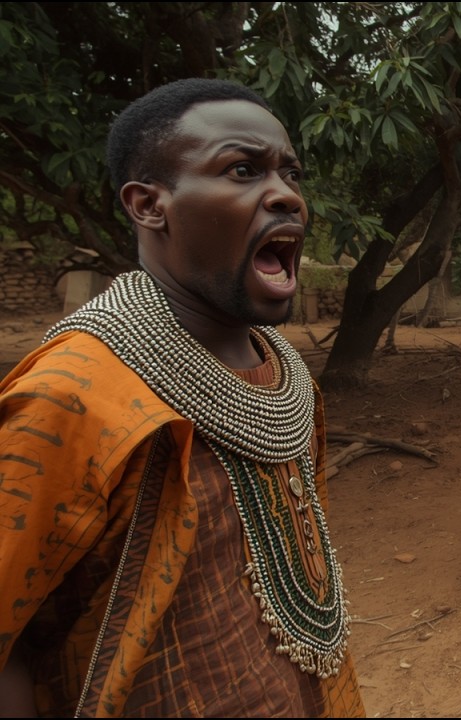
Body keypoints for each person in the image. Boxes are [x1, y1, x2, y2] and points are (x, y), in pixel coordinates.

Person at [0, 79, 364, 716]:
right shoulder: (72, 399)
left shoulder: (287, 379)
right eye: (242, 169)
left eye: (291, 173)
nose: (287, 196)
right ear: (148, 205)